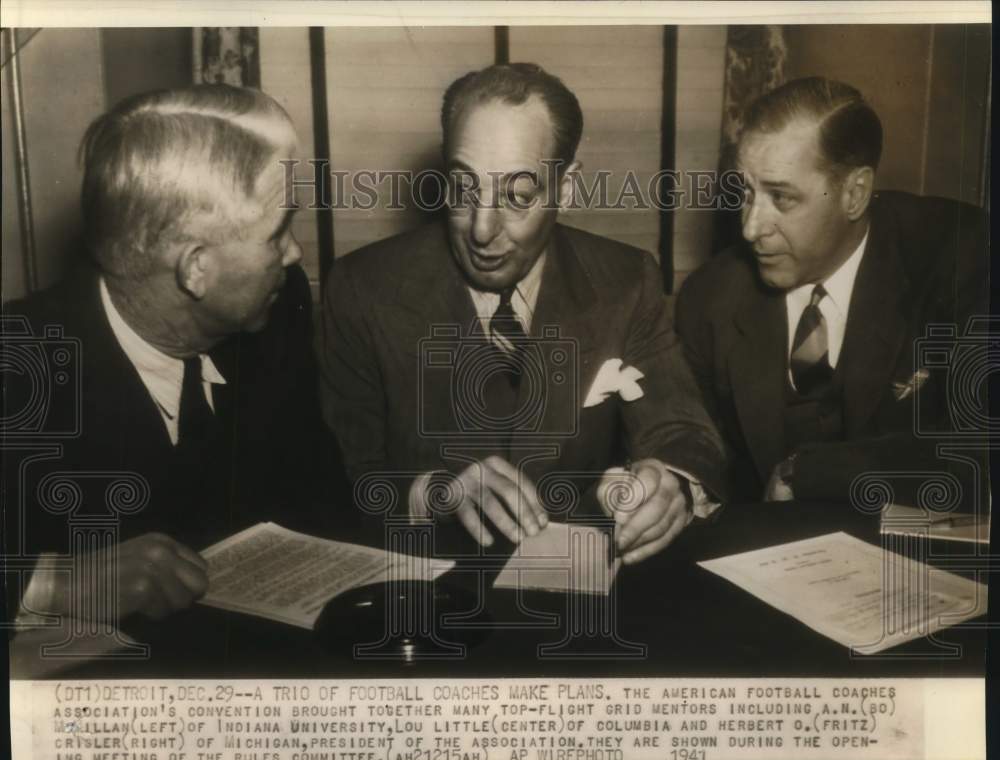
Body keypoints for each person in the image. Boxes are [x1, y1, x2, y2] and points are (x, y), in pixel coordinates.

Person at [321, 63, 726, 564]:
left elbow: (681, 432)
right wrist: (431, 493)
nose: (483, 230)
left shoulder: (627, 281)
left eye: (517, 195)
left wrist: (670, 483)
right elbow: (343, 479)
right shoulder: (362, 289)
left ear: (567, 187)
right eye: (464, 189)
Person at [2, 85, 339, 625]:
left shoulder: (279, 306)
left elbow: (319, 498)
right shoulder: (16, 367)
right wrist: (46, 584)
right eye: (278, 232)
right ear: (195, 269)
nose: (295, 254)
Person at [676, 77, 988, 506]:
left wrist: (815, 474)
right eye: (745, 193)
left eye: (782, 198)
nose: (750, 228)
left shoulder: (963, 257)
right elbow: (694, 452)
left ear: (854, 194)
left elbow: (982, 446)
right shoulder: (709, 299)